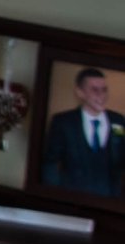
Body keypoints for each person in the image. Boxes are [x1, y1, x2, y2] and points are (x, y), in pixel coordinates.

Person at [40, 64, 119, 196]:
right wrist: (55, 195)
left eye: (104, 89)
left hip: (109, 199)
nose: (101, 95)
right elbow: (50, 162)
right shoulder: (63, 122)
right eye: (95, 90)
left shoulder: (118, 121)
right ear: (80, 92)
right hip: (72, 199)